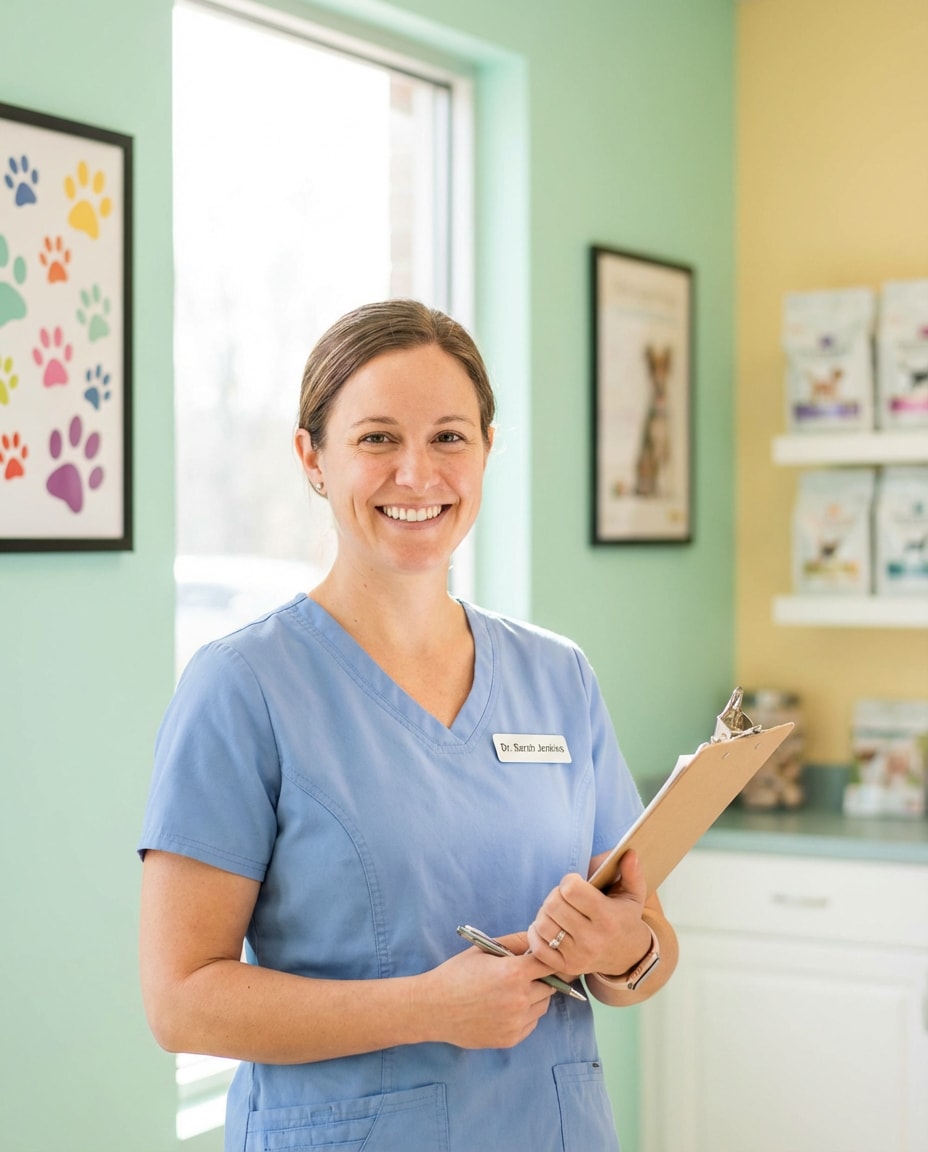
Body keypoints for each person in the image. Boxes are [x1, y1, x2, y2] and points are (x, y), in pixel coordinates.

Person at [138, 299, 678, 1152]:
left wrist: (621, 950)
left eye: (449, 437)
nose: (418, 474)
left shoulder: (558, 676)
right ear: (312, 458)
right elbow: (180, 1002)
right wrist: (427, 1008)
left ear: (488, 449)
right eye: (377, 438)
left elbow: (648, 947)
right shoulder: (244, 687)